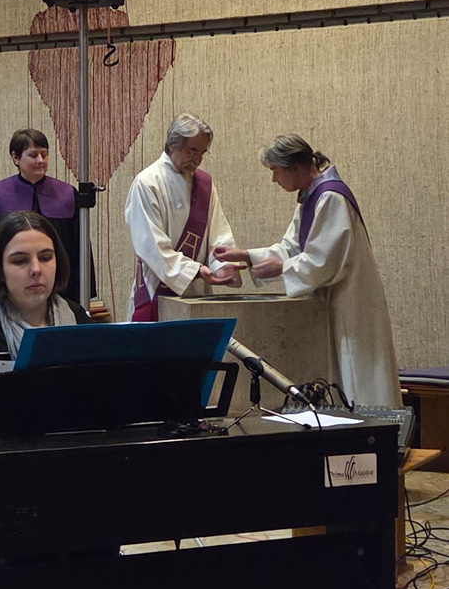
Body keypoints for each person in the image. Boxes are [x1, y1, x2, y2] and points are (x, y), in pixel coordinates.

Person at [214, 134, 400, 407]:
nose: (274, 180)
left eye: (275, 171)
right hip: (332, 303)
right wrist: (247, 256)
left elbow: (325, 261)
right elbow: (291, 248)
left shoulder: (331, 197)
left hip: (351, 304)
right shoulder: (310, 197)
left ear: (295, 167)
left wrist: (283, 267)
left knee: (358, 378)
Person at [0, 210, 90, 425]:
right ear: (0, 270)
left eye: (46, 257)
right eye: (20, 261)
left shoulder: (80, 321)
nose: (36, 269)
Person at [124, 113, 243, 321]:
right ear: (172, 145)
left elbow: (218, 235)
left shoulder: (204, 184)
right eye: (192, 151)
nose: (198, 160)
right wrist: (194, 270)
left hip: (197, 294)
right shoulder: (147, 183)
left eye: (202, 153)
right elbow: (151, 246)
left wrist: (223, 266)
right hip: (157, 291)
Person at [0, 129, 93, 302]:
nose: (40, 160)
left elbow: (80, 249)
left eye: (44, 154)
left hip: (61, 294)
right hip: (9, 296)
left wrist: (81, 295)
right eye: (33, 155)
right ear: (16, 158)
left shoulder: (67, 194)